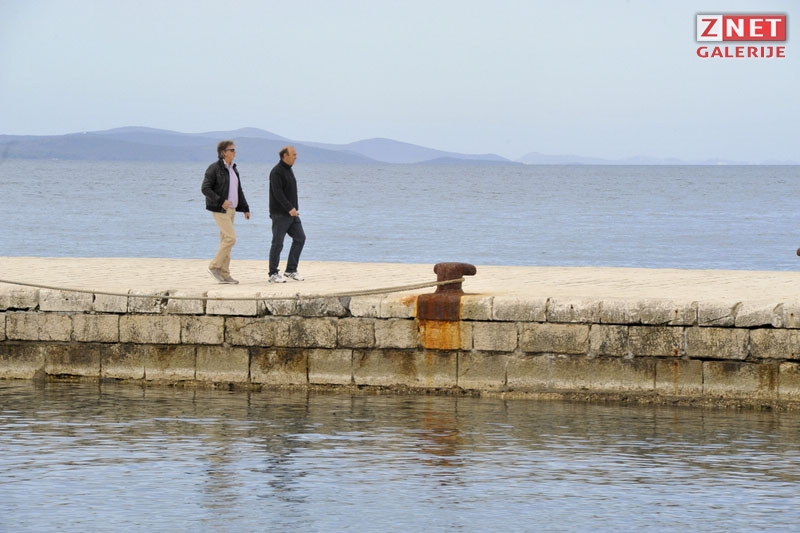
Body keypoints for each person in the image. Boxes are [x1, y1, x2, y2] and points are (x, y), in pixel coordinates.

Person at [201, 140, 250, 284]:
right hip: (220, 209)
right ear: (223, 152)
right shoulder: (214, 168)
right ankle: (214, 266)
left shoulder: (233, 169)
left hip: (232, 209)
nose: (235, 152)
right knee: (231, 238)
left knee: (225, 241)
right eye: (232, 150)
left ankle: (225, 274)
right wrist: (221, 201)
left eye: (234, 150)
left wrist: (245, 208)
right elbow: (205, 188)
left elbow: (238, 190)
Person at [268, 145, 306, 283]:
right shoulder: (276, 172)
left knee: (300, 238)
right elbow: (277, 193)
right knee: (277, 243)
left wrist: (293, 209)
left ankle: (291, 270)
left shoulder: (289, 170)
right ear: (285, 155)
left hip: (293, 214)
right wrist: (289, 208)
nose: (296, 157)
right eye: (293, 154)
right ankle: (273, 273)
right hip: (280, 214)